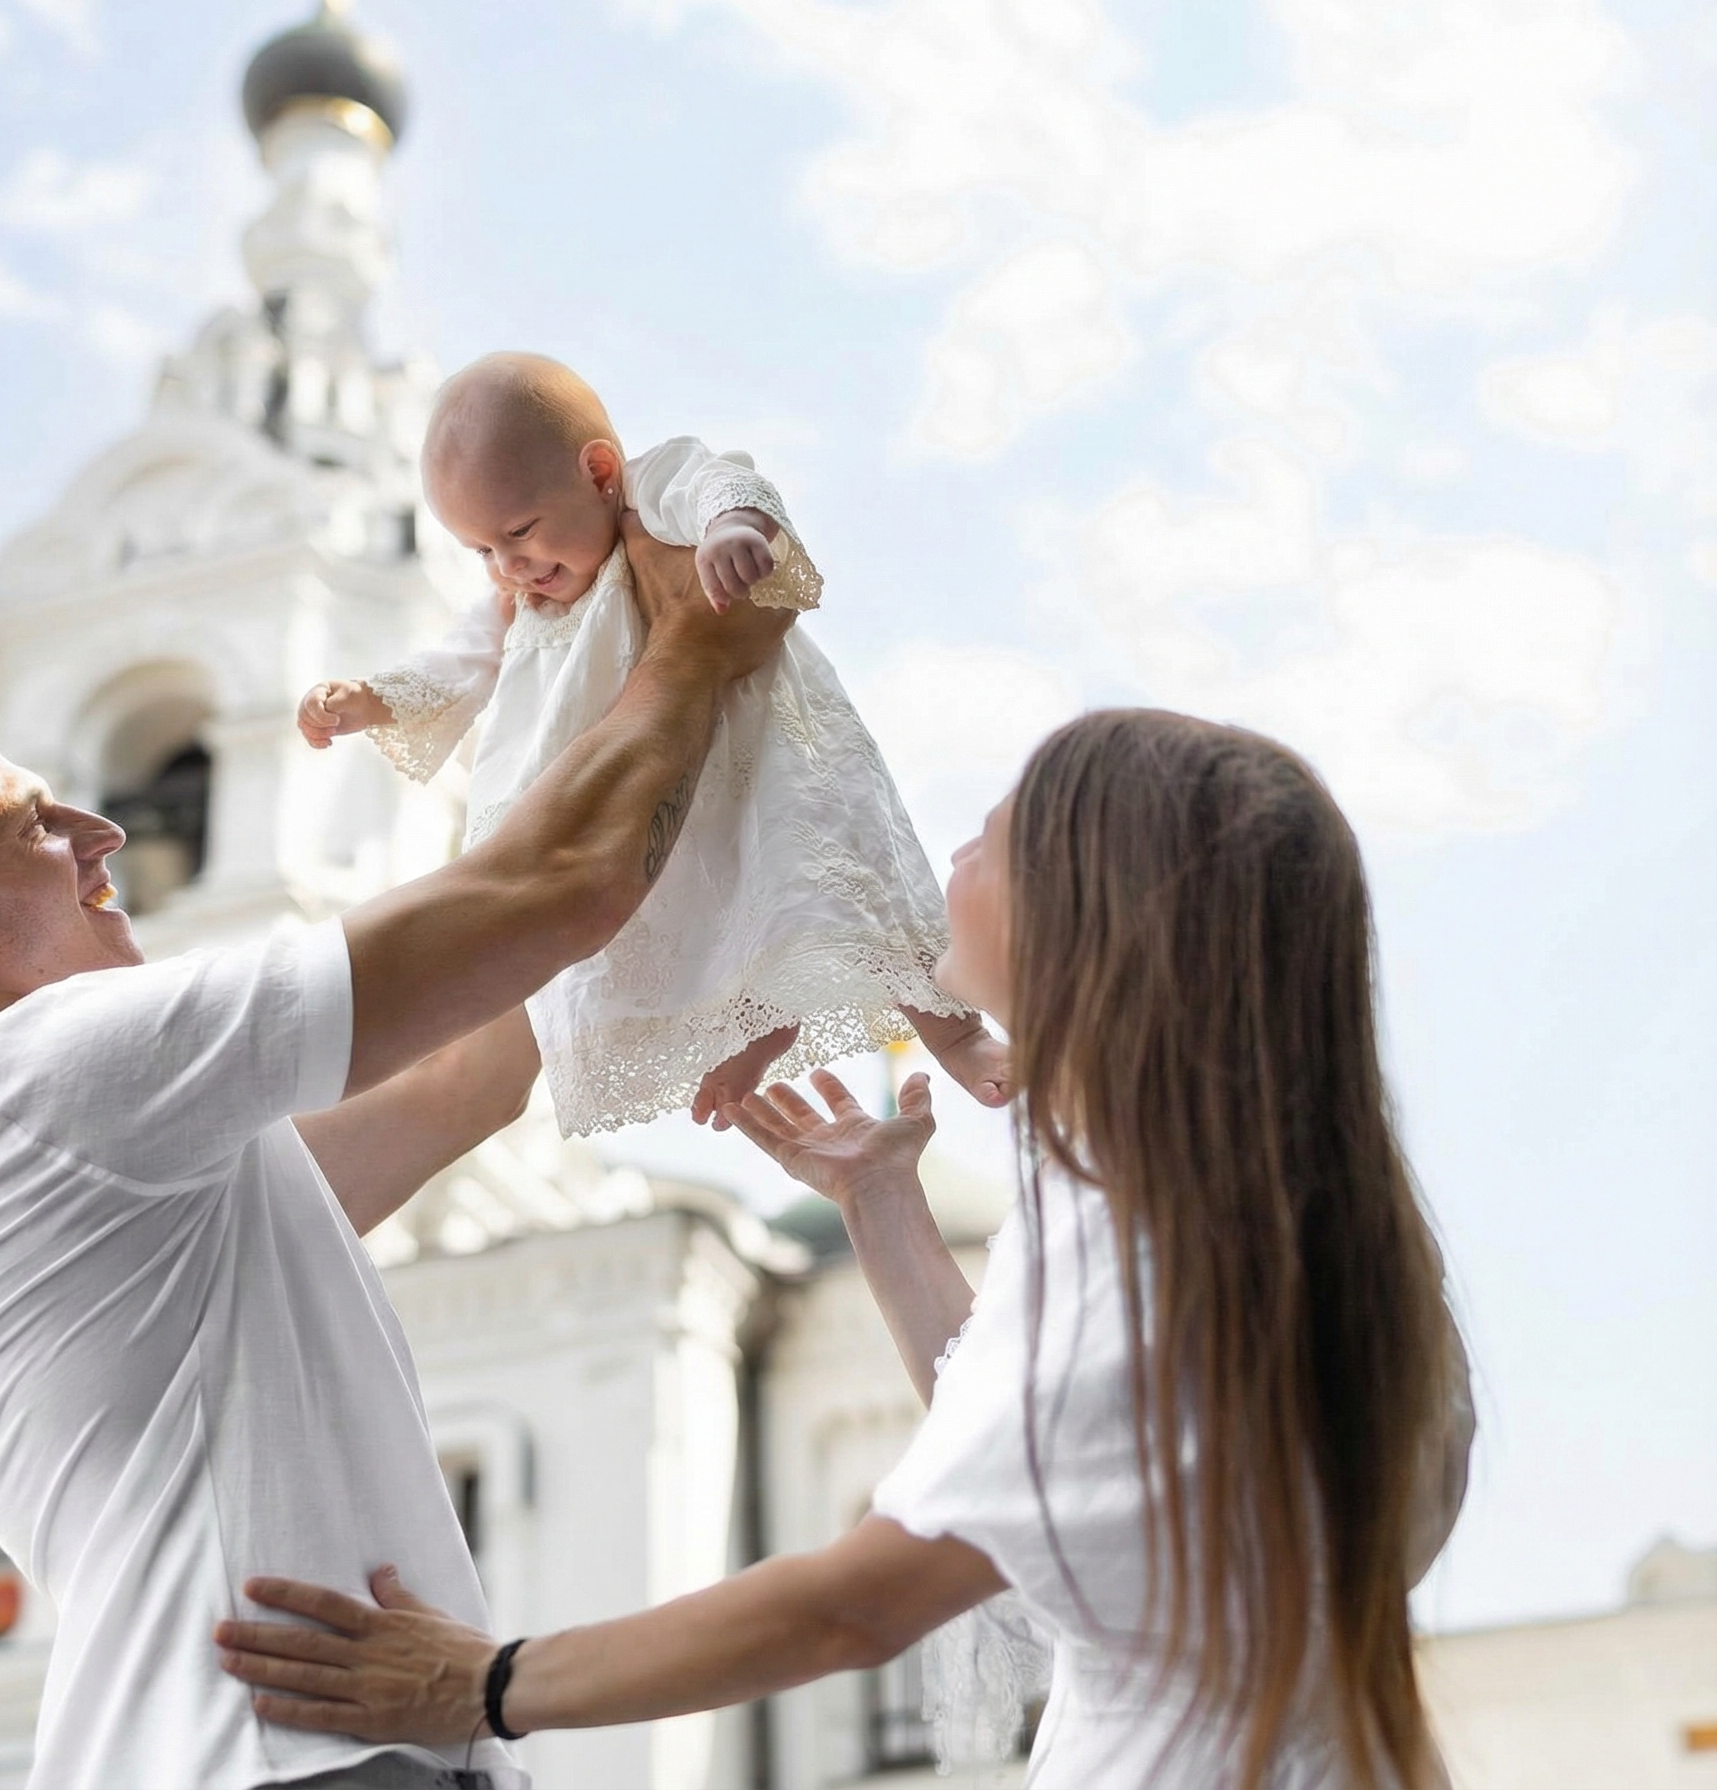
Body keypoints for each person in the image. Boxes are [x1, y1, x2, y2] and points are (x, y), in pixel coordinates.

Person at [215, 710, 1477, 1790]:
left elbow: (854, 1602)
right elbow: (1046, 1450)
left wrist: (478, 1681)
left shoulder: (1163, 1258)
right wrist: (881, 1206)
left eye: (993, 834)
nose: (953, 856)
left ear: (1096, 906)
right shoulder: (1289, 1222)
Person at [0, 517, 792, 1790]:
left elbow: (472, 1068)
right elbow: (550, 888)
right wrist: (691, 651)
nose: (104, 832)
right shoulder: (32, 1070)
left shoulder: (107, 1151)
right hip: (273, 1761)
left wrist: (567, 681)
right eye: (30, 827)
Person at [294, 352, 1010, 1137]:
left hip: (748, 752)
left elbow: (722, 480)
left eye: (520, 531)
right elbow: (456, 662)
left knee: (842, 875)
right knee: (683, 922)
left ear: (599, 473)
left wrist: (732, 528)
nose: (509, 566)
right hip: (637, 798)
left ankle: (961, 1035)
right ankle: (753, 1029)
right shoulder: (520, 599)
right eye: (482, 552)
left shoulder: (650, 491)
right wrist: (372, 699)